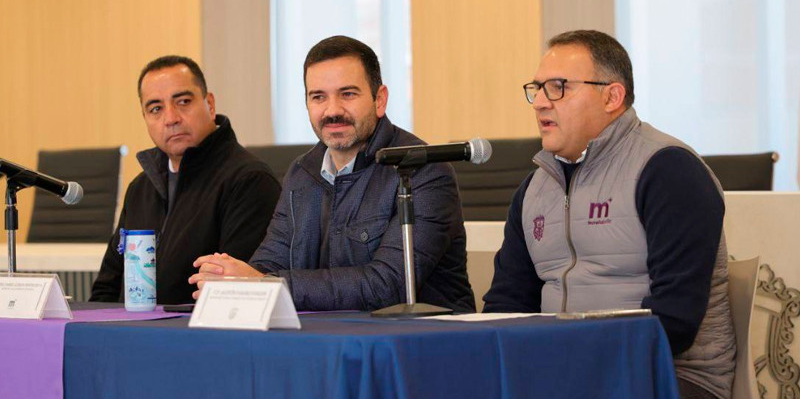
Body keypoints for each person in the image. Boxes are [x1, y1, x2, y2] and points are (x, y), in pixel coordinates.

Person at [483, 30, 735, 399]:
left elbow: (674, 322)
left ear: (611, 96)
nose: (539, 102)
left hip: (673, 376)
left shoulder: (669, 171)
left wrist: (570, 363)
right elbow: (506, 305)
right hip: (563, 373)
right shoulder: (533, 190)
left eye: (557, 87)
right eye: (536, 88)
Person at [190, 36, 475, 312]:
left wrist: (265, 284)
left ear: (380, 99)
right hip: (328, 341)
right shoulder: (301, 173)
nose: (332, 110)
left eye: (348, 94)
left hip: (422, 346)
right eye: (318, 97)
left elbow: (387, 286)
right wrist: (230, 278)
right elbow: (269, 265)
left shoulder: (423, 170)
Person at [90, 55, 281, 305]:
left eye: (183, 102)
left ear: (210, 105)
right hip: (133, 334)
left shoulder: (250, 181)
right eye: (156, 109)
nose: (171, 118)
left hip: (199, 337)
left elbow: (237, 296)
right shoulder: (141, 187)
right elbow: (108, 286)